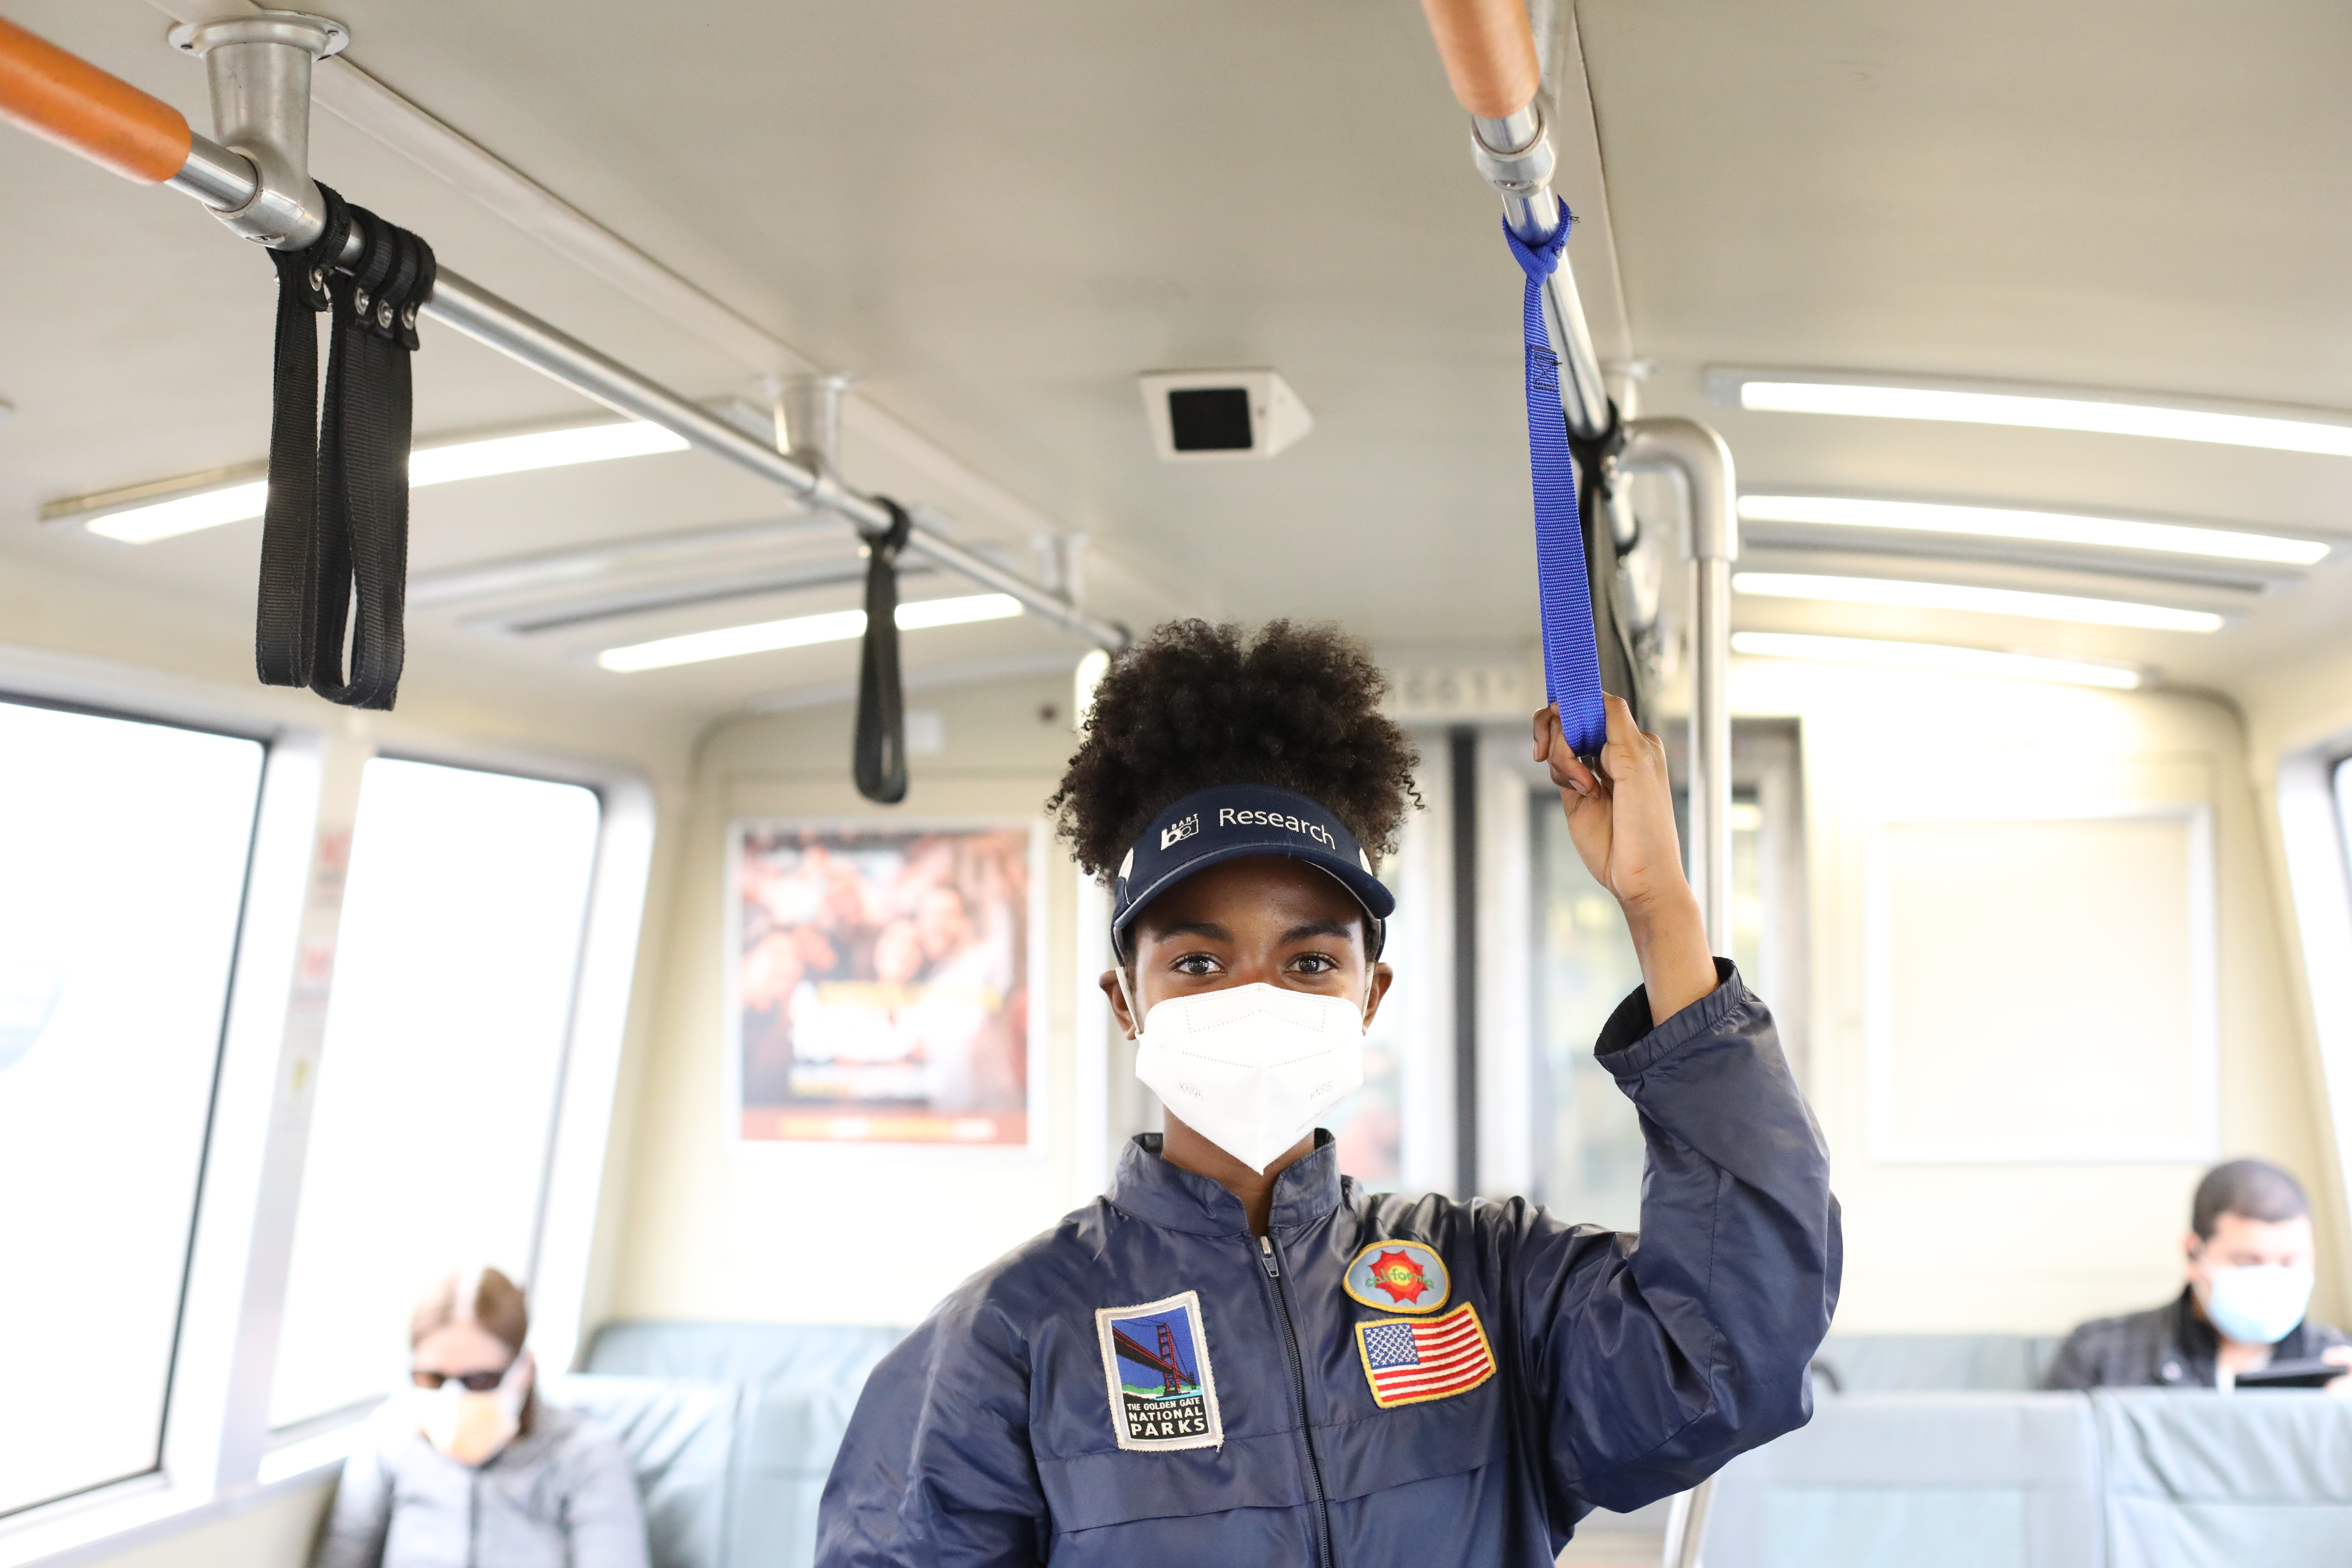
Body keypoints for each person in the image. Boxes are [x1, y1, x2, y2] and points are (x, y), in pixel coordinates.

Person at [816, 620, 1840, 1566]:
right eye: (1199, 963)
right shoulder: (1013, 1333)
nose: (1256, 996)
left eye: (1307, 963)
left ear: (1368, 994)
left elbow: (1731, 1349)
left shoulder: (1487, 1284)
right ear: (1126, 1000)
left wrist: (1658, 905)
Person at [314, 1267, 650, 1568]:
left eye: (480, 1381)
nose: (454, 1398)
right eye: (433, 1379)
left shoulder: (586, 1454)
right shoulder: (389, 1438)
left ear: (524, 1370)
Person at [2044, 1158, 2352, 1391]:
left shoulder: (2335, 1361)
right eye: (2248, 1262)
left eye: (2289, 1262)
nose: (2270, 1277)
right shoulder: (2101, 1355)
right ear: (2193, 1253)